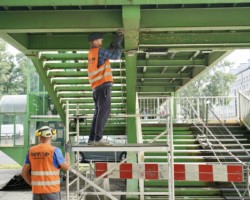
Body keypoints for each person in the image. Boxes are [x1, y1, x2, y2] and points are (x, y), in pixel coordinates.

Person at [87, 30, 124, 146]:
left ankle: (92, 139)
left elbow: (106, 54)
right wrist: (118, 43)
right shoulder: (99, 51)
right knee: (103, 112)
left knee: (98, 112)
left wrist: (113, 43)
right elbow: (116, 56)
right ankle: (98, 139)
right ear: (95, 41)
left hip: (96, 87)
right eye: (100, 39)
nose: (102, 41)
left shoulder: (92, 53)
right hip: (103, 85)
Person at [21, 126, 71, 200]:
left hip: (37, 192)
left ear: (39, 136)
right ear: (52, 136)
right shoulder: (55, 151)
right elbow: (66, 168)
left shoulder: (31, 151)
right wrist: (67, 152)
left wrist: (33, 185)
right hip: (51, 191)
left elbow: (24, 173)